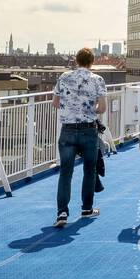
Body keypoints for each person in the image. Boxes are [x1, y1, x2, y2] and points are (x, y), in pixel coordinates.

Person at [51, 48, 107, 227]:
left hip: (67, 130)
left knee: (65, 172)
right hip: (88, 130)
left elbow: (55, 103)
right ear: (92, 62)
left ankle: (62, 213)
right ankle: (87, 209)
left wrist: (70, 108)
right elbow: (102, 108)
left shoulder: (64, 77)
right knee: (89, 170)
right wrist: (89, 108)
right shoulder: (97, 80)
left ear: (76, 61)